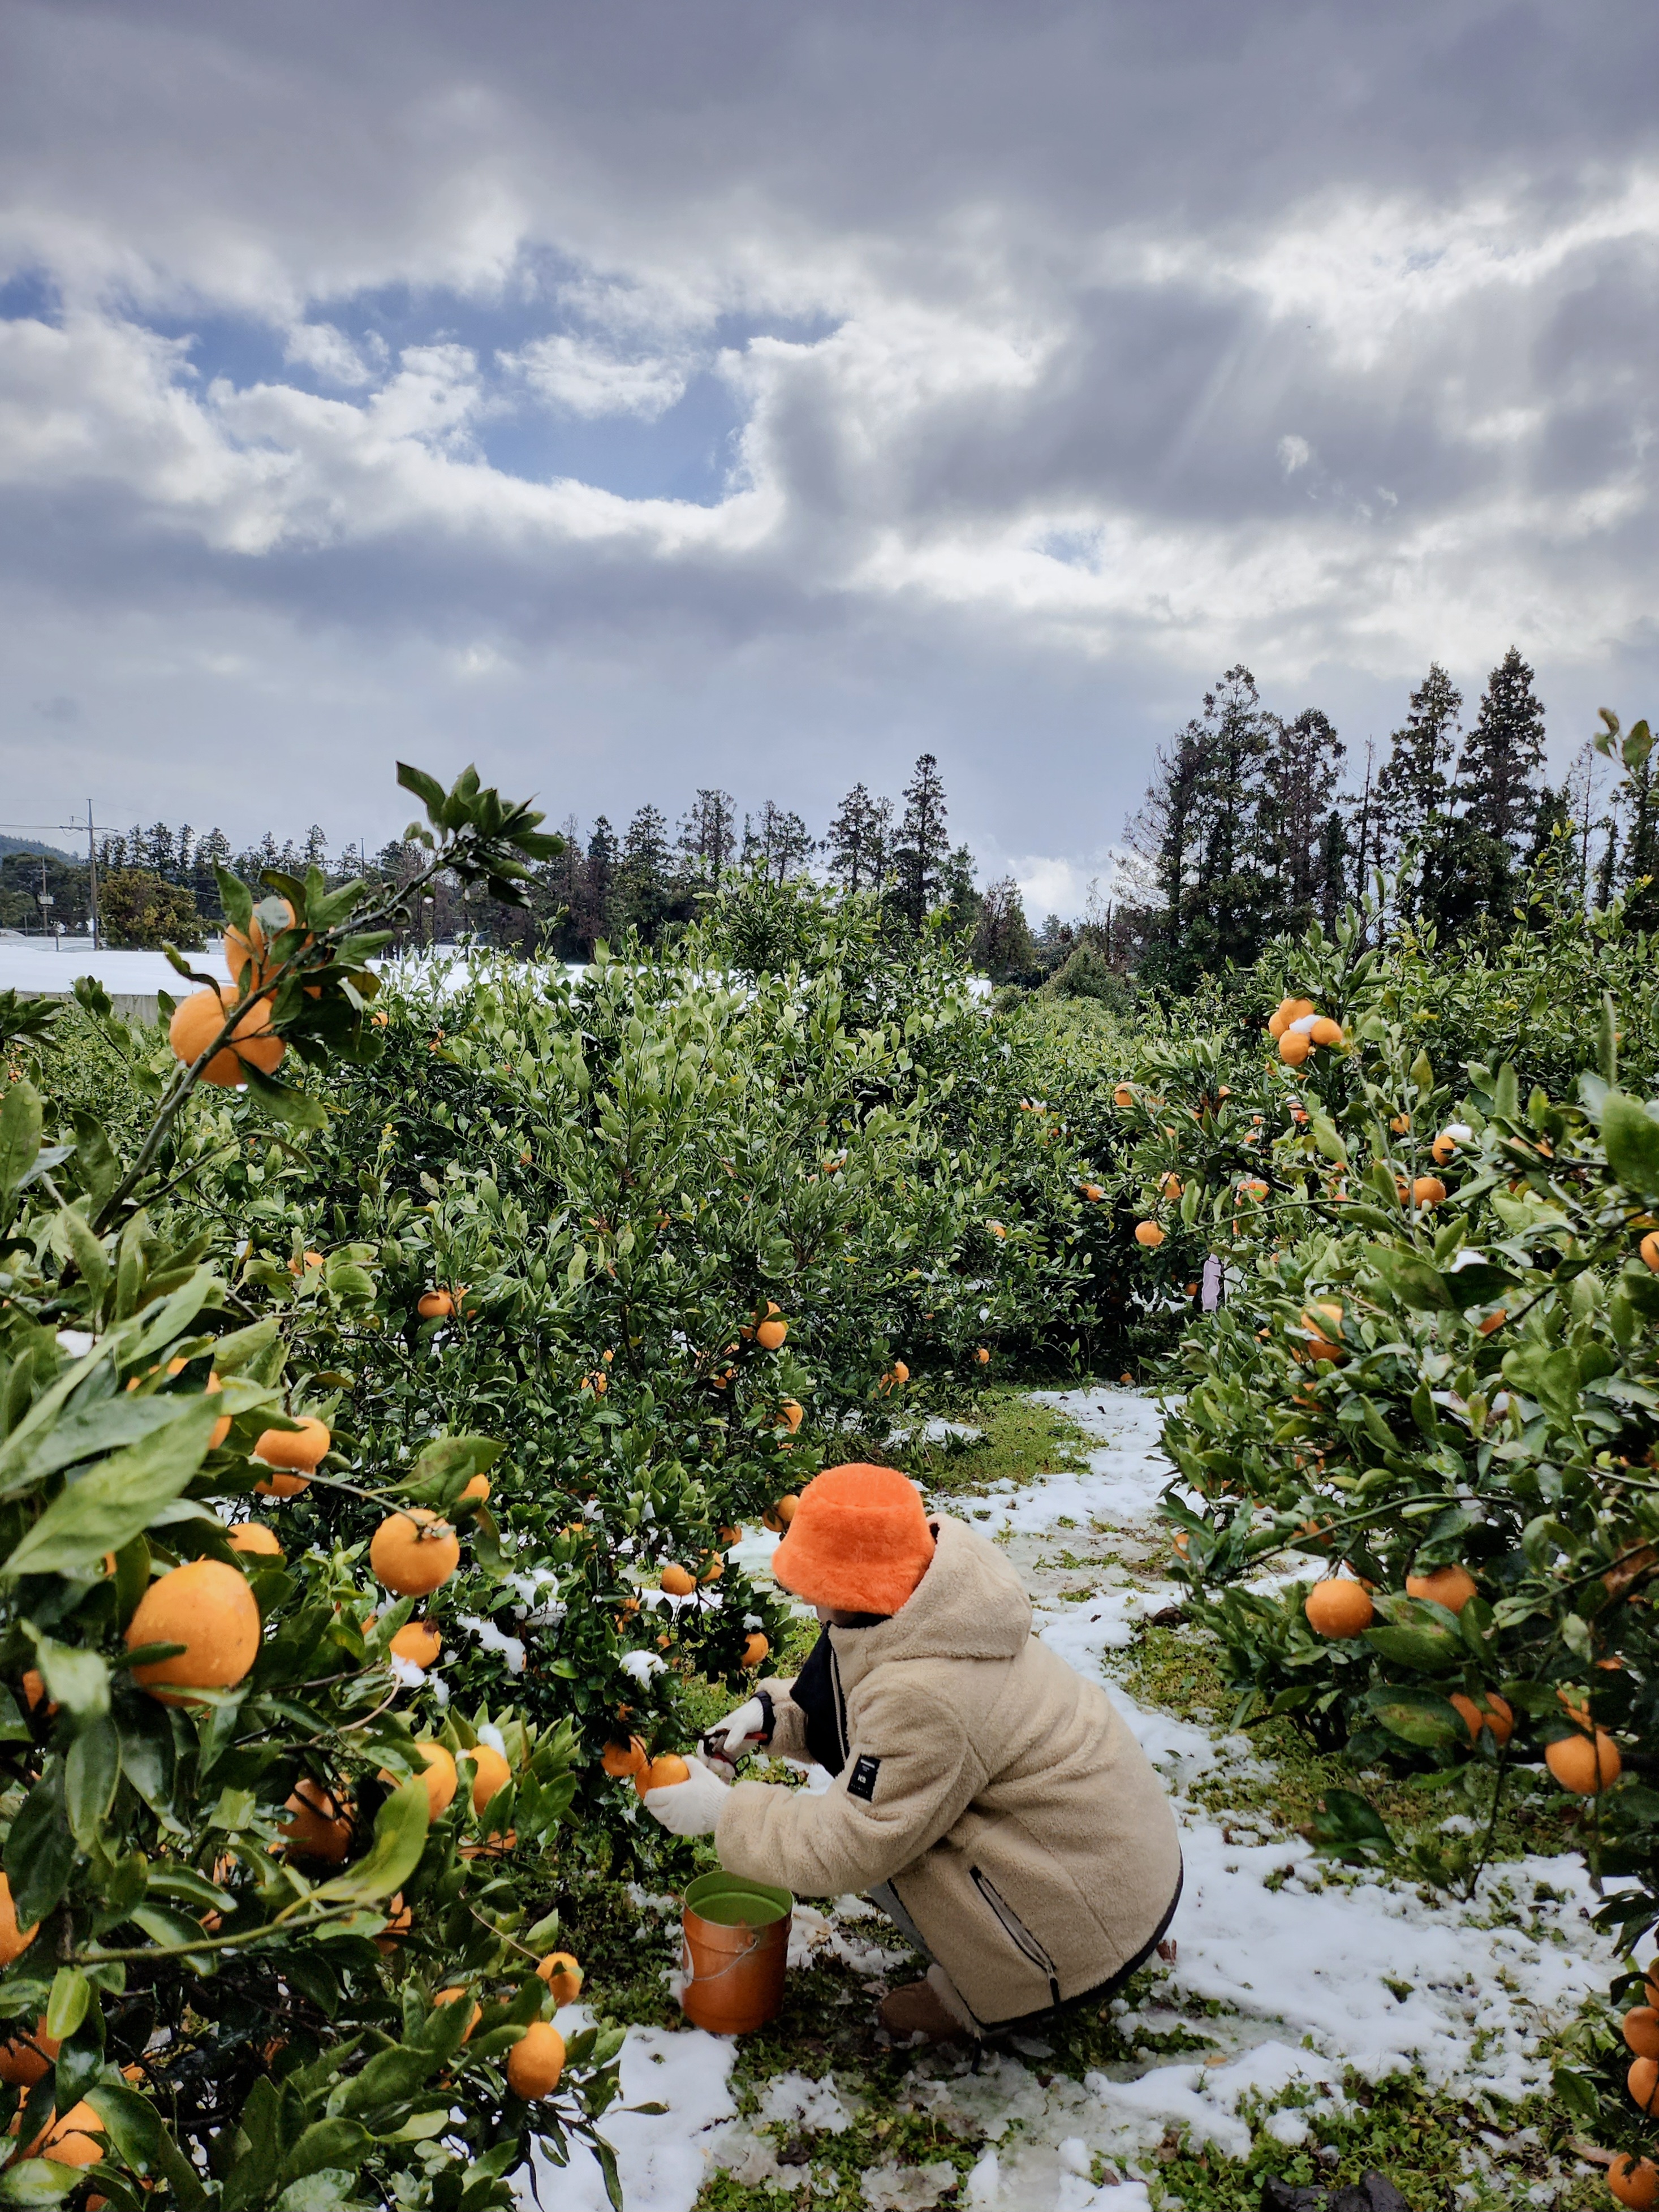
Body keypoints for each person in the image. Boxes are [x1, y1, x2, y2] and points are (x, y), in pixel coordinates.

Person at [642, 1462, 1183, 2041]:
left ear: (846, 1585)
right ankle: (1089, 1942)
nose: (807, 1602)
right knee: (901, 1805)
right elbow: (862, 1711)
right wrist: (772, 1718)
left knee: (893, 1838)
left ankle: (996, 1994)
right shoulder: (928, 1607)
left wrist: (724, 1813)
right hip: (1113, 1874)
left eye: (814, 1585)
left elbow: (853, 1839)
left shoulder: (927, 1693)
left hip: (1075, 1928)